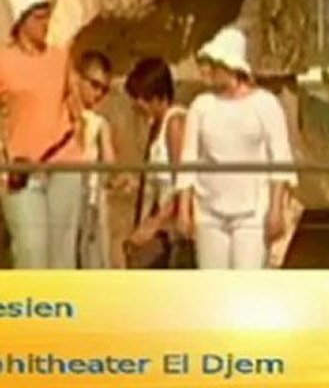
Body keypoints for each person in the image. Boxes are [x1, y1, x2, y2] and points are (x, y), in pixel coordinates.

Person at [176, 27, 297, 270]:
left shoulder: (265, 104)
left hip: (252, 213)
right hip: (209, 212)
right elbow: (188, 160)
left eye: (214, 64)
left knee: (247, 283)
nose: (206, 70)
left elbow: (280, 159)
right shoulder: (201, 106)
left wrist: (276, 209)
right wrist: (183, 209)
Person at [0, 0, 83, 269]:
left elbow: (74, 105)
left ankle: (62, 313)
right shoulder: (3, 61)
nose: (46, 23)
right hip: (22, 168)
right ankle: (32, 312)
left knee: (63, 257)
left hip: (64, 161)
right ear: (21, 20)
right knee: (32, 254)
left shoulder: (59, 57)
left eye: (47, 15)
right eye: (38, 17)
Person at [123, 57, 193, 269]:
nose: (138, 105)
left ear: (157, 97)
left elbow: (183, 181)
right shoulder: (156, 126)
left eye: (142, 99)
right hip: (164, 224)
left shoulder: (175, 124)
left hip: (177, 225)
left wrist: (152, 225)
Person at [75, 50, 120, 269]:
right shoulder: (64, 113)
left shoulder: (100, 122)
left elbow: (110, 164)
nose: (99, 94)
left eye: (104, 89)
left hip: (91, 200)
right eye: (95, 85)